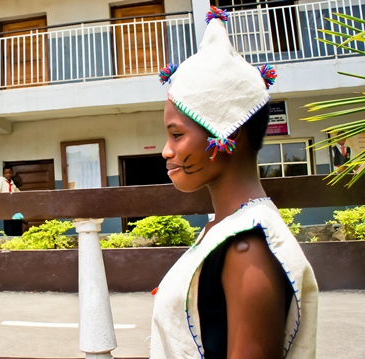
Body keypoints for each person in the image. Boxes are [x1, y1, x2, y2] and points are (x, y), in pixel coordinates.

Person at [150, 7, 318, 359]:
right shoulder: (223, 230)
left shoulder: (248, 249)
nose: (166, 151)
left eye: (177, 135)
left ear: (229, 133)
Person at [0, 165, 22, 236]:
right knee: (9, 227)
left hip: (14, 208)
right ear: (3, 174)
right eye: (6, 173)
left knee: (17, 225)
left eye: (9, 173)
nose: (8, 174)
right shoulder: (1, 180)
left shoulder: (12, 184)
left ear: (12, 173)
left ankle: (17, 241)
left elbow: (19, 194)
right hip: (6, 207)